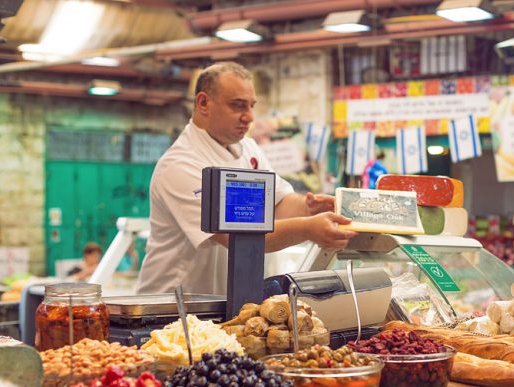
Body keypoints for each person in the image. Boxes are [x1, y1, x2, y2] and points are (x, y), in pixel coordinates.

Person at [137, 62, 356, 295]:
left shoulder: (248, 148)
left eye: (251, 106)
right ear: (203, 103)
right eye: (238, 106)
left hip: (224, 302)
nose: (249, 117)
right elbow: (235, 238)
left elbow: (278, 203)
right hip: (171, 308)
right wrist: (307, 229)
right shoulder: (181, 164)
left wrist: (309, 207)